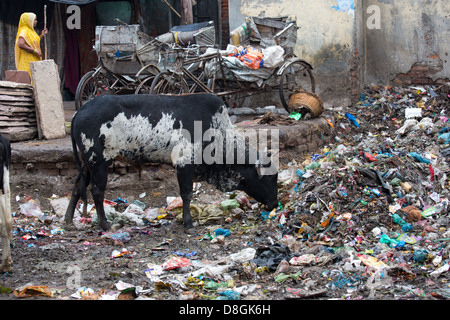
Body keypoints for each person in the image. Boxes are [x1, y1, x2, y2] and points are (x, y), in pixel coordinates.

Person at [14, 12, 48, 81]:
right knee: (29, 80)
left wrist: (42, 35)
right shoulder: (24, 31)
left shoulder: (31, 31)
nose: (36, 21)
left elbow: (33, 42)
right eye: (34, 20)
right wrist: (34, 51)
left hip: (33, 59)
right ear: (28, 21)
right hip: (27, 61)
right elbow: (21, 44)